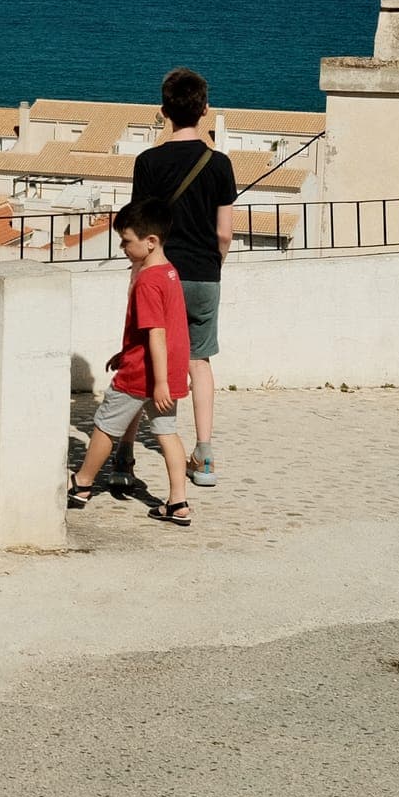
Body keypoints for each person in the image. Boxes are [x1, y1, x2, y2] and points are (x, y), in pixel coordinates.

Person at [128, 67, 236, 487]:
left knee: (144, 357)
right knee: (199, 362)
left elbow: (140, 231)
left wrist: (138, 276)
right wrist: (213, 265)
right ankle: (204, 455)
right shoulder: (220, 164)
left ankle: (123, 457)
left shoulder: (147, 163)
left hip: (159, 275)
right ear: (204, 109)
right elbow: (224, 233)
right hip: (205, 275)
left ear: (163, 111)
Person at [67, 199, 193, 527]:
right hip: (168, 369)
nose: (122, 247)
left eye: (126, 241)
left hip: (143, 374)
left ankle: (82, 483)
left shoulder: (148, 281)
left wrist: (157, 381)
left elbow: (156, 333)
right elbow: (160, 331)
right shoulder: (170, 272)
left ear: (150, 241)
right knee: (168, 433)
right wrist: (128, 354)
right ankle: (178, 501)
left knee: (105, 426)